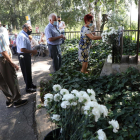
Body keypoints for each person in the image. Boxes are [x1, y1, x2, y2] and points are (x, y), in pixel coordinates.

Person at [0, 23, 28, 108]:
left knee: (2, 82)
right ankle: (17, 100)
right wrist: (13, 64)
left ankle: (9, 99)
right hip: (3, 60)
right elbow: (3, 51)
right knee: (12, 79)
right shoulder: (1, 34)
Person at [16, 23, 37, 93]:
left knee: (28, 71)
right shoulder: (22, 36)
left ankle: (30, 84)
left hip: (26, 55)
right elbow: (22, 49)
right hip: (23, 55)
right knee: (26, 71)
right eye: (30, 29)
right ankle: (28, 88)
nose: (31, 30)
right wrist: (32, 51)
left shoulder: (25, 35)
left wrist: (30, 52)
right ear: (25, 28)